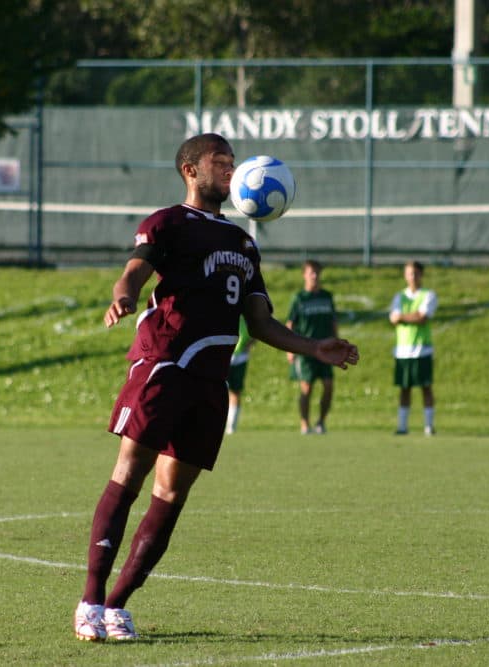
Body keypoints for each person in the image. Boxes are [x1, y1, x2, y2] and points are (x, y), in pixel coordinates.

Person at [73, 133, 360, 642]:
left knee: (171, 493)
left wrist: (316, 348)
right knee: (129, 473)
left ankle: (116, 608)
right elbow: (135, 269)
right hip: (161, 364)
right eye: (220, 163)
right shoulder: (168, 222)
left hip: (209, 382)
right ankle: (89, 601)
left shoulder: (244, 243)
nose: (230, 171)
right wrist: (123, 295)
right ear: (190, 169)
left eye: (233, 163)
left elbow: (262, 322)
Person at [285, 260, 339, 434]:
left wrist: (337, 343)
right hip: (305, 349)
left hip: (326, 350)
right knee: (306, 388)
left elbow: (333, 322)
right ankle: (304, 423)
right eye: (311, 273)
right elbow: (290, 324)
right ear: (304, 275)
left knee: (328, 385)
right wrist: (289, 349)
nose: (315, 276)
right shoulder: (299, 298)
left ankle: (321, 422)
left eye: (317, 272)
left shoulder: (327, 296)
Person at [388, 261, 437, 436]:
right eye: (410, 273)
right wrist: (409, 316)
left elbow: (422, 317)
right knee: (404, 389)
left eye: (416, 273)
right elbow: (393, 318)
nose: (413, 277)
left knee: (426, 387)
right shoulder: (399, 296)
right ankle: (402, 426)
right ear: (405, 276)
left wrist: (403, 317)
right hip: (402, 351)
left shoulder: (428, 295)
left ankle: (429, 426)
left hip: (422, 349)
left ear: (421, 275)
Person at [225, 316, 254, 434]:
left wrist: (250, 343)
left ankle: (231, 427)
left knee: (235, 391)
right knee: (215, 391)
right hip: (223, 356)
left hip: (240, 356)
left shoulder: (246, 310)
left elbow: (259, 327)